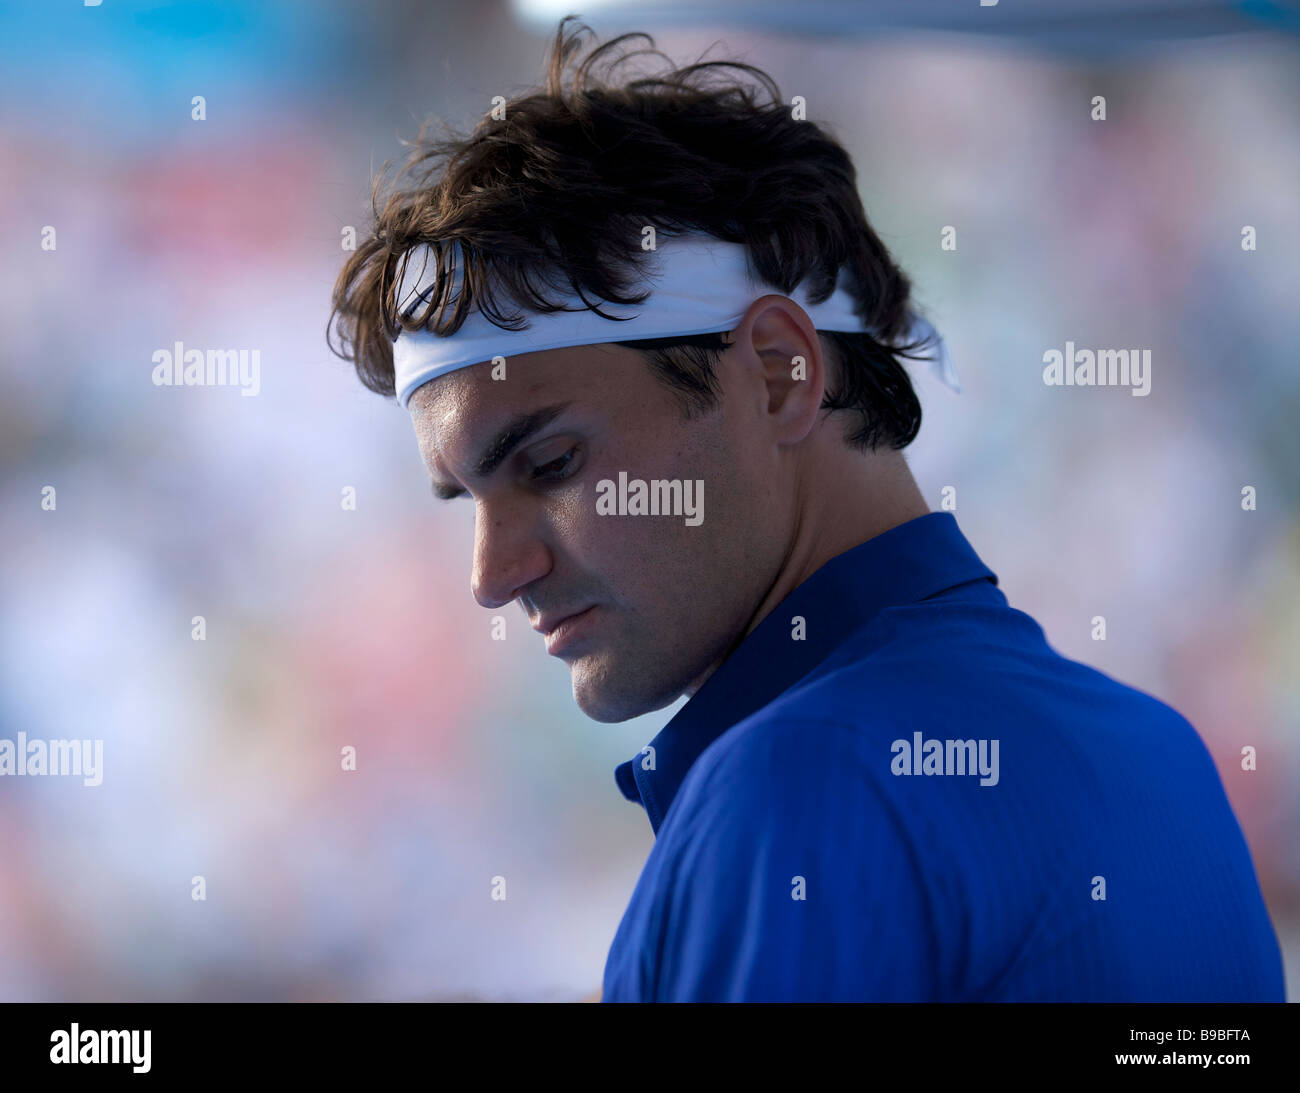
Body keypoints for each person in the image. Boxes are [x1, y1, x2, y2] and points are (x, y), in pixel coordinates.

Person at [328, 17, 1286, 1002]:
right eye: (469, 500)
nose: (491, 575)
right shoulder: (1153, 750)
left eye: (551, 462)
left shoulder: (799, 789)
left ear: (781, 373)